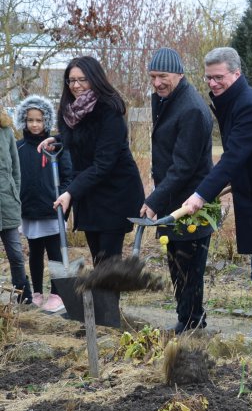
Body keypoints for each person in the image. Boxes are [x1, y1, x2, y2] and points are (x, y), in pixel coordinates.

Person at [182, 47, 252, 345]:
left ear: (236, 73)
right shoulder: (231, 101)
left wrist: (200, 195)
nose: (213, 83)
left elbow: (232, 157)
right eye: (208, 78)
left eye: (219, 77)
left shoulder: (247, 106)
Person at [39, 56, 144, 271]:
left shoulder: (109, 111)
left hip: (115, 194)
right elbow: (84, 139)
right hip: (90, 193)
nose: (76, 85)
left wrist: (70, 193)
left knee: (107, 263)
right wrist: (58, 139)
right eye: (71, 80)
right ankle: (99, 304)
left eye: (82, 80)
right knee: (98, 260)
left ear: (95, 79)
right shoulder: (72, 112)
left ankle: (107, 305)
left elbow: (104, 163)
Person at [140, 47, 214, 334]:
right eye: (153, 76)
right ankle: (187, 319)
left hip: (191, 203)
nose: (157, 82)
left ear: (179, 74)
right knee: (178, 267)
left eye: (163, 76)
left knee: (190, 268)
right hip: (174, 198)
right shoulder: (166, 100)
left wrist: (154, 198)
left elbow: (183, 166)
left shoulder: (192, 108)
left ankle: (193, 324)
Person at [15, 95, 72, 312]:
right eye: (30, 120)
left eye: (39, 120)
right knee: (35, 253)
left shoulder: (56, 146)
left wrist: (65, 198)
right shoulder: (19, 147)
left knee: (55, 253)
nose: (35, 124)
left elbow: (68, 176)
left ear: (46, 121)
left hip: (53, 209)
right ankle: (37, 292)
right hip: (29, 210)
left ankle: (57, 293)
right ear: (24, 121)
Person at [0, 104, 33, 304]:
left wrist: (15, 195)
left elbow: (16, 170)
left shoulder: (5, 130)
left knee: (16, 255)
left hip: (7, 202)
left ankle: (22, 297)